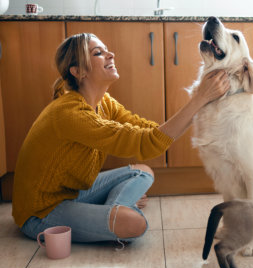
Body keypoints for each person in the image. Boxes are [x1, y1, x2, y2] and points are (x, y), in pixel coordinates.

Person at [12, 33, 230, 245]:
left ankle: (113, 209)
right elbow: (148, 142)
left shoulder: (103, 101)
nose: (111, 54)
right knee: (135, 225)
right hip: (41, 211)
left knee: (142, 171)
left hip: (72, 192)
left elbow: (152, 132)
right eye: (99, 53)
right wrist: (200, 97)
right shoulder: (71, 114)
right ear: (78, 71)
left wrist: (202, 102)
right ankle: (119, 209)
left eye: (107, 50)